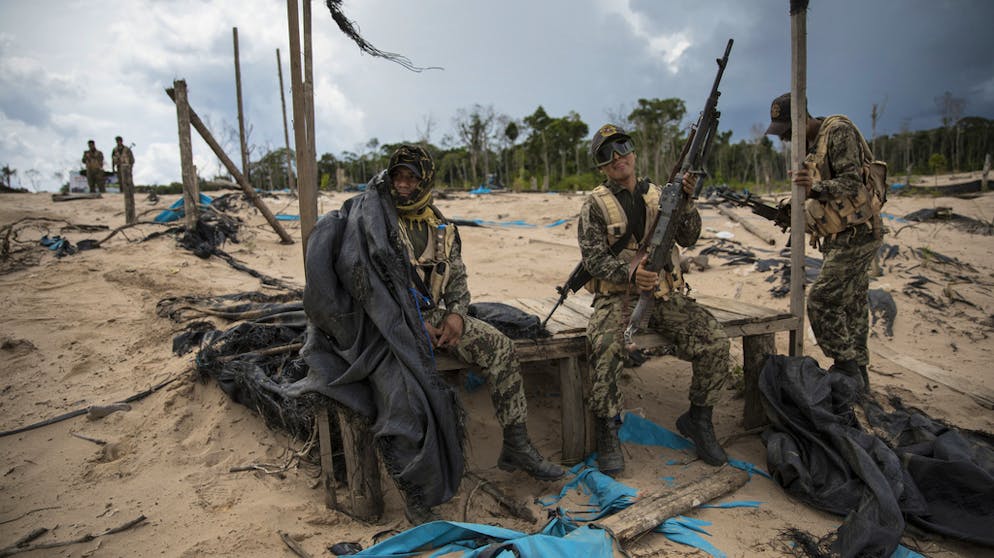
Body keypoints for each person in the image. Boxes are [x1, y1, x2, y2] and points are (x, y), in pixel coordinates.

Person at [300, 144, 562, 525]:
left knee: (502, 348)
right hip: (388, 325)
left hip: (438, 317)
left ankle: (517, 444)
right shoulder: (374, 223)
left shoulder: (441, 227)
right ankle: (416, 493)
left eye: (412, 178)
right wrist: (408, 321)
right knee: (404, 395)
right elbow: (364, 284)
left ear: (425, 181)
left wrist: (456, 315)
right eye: (398, 177)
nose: (404, 185)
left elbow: (457, 278)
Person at [578, 124, 732, 472]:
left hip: (664, 295)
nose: (618, 158)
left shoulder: (662, 194)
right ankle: (606, 428)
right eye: (607, 154)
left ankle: (699, 419)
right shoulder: (595, 205)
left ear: (634, 152)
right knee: (604, 347)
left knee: (715, 342)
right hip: (618, 298)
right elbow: (593, 260)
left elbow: (690, 237)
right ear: (601, 166)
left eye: (623, 147)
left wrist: (688, 202)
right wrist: (629, 273)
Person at [764, 93, 884, 390]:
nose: (788, 140)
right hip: (837, 236)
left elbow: (852, 183)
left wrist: (814, 188)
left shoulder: (838, 131)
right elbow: (820, 201)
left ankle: (845, 366)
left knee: (820, 301)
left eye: (789, 132)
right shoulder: (811, 150)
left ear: (802, 119)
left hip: (857, 234)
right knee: (853, 304)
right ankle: (858, 374)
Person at [112, 136, 136, 224]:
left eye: (119, 140)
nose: (118, 142)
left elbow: (132, 159)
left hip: (127, 167)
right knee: (121, 181)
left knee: (129, 182)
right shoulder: (115, 150)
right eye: (117, 141)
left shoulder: (127, 149)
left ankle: (130, 192)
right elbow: (113, 159)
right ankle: (122, 191)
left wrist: (130, 166)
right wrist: (114, 167)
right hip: (119, 167)